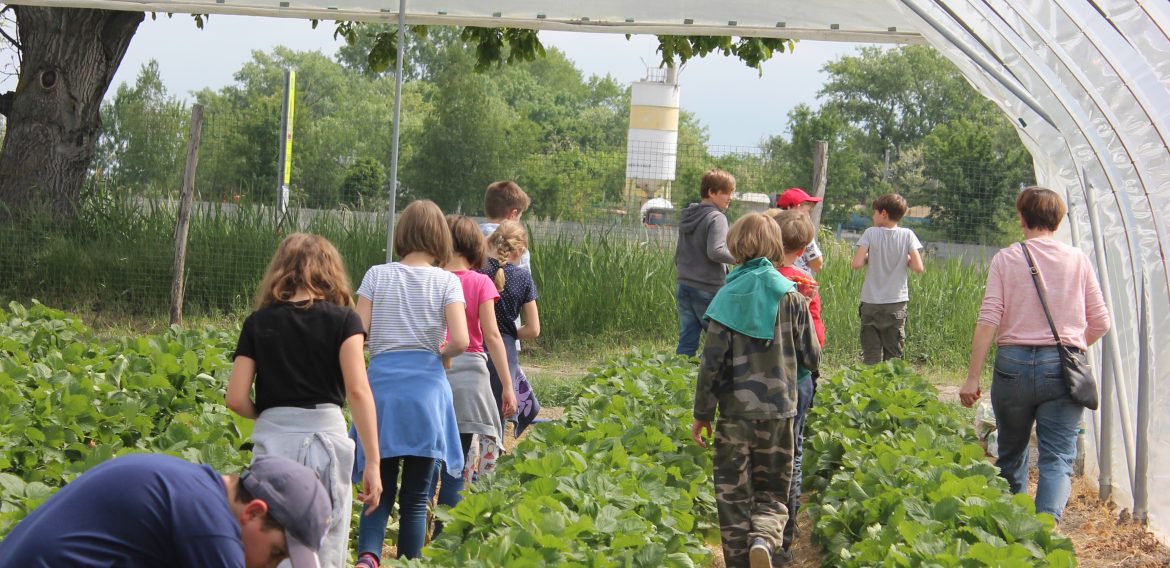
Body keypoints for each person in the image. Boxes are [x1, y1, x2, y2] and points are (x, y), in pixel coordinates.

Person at [226, 233, 382, 568]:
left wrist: (267, 415)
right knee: (323, 541)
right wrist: (372, 461)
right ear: (330, 272)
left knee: (274, 542)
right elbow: (357, 391)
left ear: (280, 271)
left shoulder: (258, 323)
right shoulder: (345, 321)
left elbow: (236, 398)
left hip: (274, 442)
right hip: (327, 439)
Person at [959, 186, 1109, 522]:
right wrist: (1071, 347)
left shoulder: (1007, 258)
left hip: (1013, 366)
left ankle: (1012, 531)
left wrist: (972, 377)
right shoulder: (1078, 260)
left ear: (1022, 218)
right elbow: (1100, 322)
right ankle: (1042, 537)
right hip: (1063, 368)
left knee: (1011, 454)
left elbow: (989, 318)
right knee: (1057, 458)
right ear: (1057, 221)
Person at [691, 212, 822, 568]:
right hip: (780, 415)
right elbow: (812, 356)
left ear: (735, 247)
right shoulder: (792, 297)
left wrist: (702, 414)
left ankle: (737, 561)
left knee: (732, 496)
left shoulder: (725, 297)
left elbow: (710, 365)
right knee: (772, 494)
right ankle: (764, 539)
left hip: (734, 418)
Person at [351, 200, 469, 566]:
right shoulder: (447, 281)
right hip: (426, 394)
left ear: (402, 234)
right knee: (417, 497)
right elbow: (462, 341)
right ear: (439, 237)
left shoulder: (377, 275)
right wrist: (441, 351)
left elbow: (358, 331)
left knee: (378, 488)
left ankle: (369, 558)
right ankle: (408, 561)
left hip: (381, 393)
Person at [0, 453, 331, 568]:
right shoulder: (210, 525)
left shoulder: (192, 486)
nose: (267, 566)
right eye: (275, 554)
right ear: (255, 512)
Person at [432, 215, 518, 534]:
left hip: (435, 372)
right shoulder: (481, 282)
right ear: (475, 247)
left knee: (430, 466)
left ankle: (416, 525)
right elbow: (493, 337)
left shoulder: (433, 279)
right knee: (457, 467)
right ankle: (443, 537)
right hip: (471, 381)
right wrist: (507, 386)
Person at [766, 209, 826, 561]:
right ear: (804, 245)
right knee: (793, 454)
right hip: (797, 380)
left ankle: (757, 530)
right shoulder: (804, 284)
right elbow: (813, 344)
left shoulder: (755, 277)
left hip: (757, 382)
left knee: (760, 456)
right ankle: (784, 542)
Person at [479, 220, 541, 437]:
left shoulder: (477, 271)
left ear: (491, 241)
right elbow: (533, 329)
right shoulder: (524, 278)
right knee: (497, 415)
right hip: (505, 351)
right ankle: (491, 464)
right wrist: (511, 331)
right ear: (521, 250)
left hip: (475, 345)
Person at [850, 193, 925, 365]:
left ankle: (871, 389)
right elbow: (918, 267)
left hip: (871, 302)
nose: (872, 216)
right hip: (896, 302)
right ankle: (892, 390)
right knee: (894, 355)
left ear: (883, 213)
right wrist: (905, 259)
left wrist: (870, 256)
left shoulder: (870, 233)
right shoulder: (907, 235)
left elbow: (856, 263)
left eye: (874, 213)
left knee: (871, 355)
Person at [674, 168, 737, 356]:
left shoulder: (689, 215)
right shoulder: (717, 217)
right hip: (707, 288)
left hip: (684, 285)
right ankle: (709, 375)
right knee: (719, 337)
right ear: (711, 192)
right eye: (726, 192)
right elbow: (716, 251)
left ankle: (678, 374)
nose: (730, 197)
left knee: (688, 335)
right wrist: (741, 257)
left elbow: (678, 254)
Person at [774, 187, 824, 276]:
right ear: (797, 208)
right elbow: (817, 265)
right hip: (797, 282)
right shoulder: (801, 231)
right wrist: (806, 234)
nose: (808, 216)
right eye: (808, 211)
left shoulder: (769, 228)